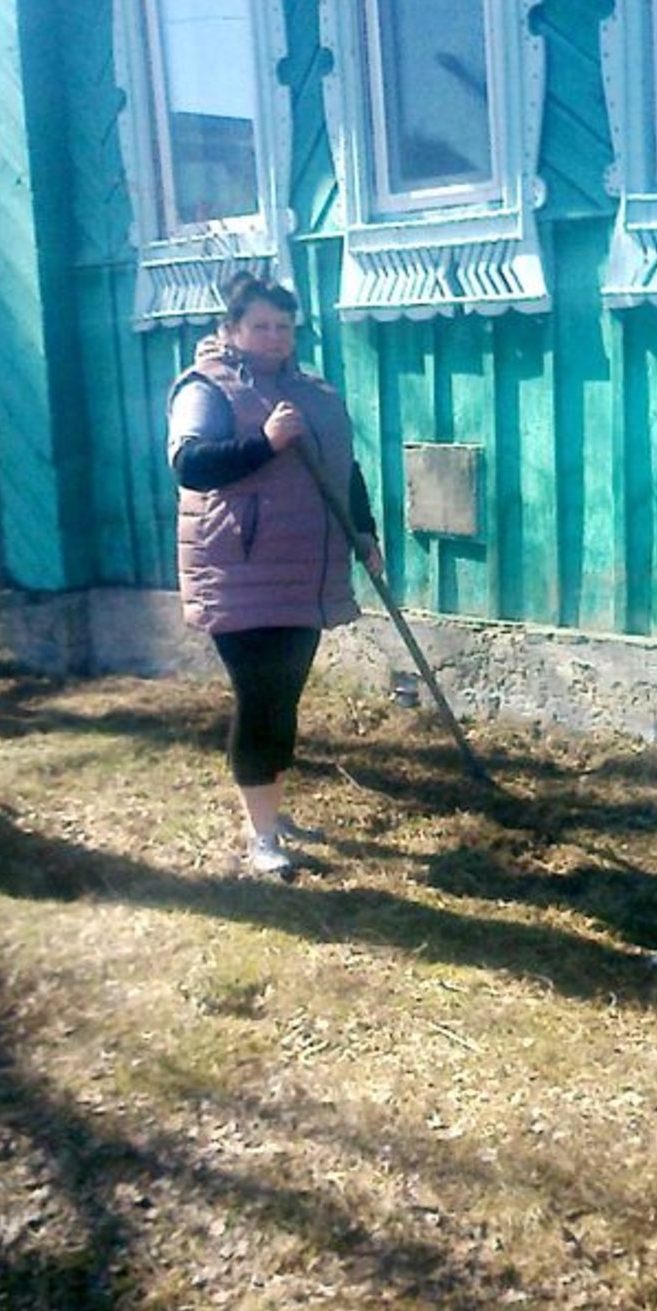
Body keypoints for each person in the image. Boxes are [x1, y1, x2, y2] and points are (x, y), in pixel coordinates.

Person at [167, 272, 382, 879]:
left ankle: (271, 813)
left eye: (283, 326)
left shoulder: (314, 392)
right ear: (231, 329)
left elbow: (344, 468)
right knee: (261, 700)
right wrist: (264, 442)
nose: (273, 336)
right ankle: (261, 836)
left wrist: (364, 531)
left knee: (284, 698)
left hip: (304, 572)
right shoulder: (206, 388)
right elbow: (190, 465)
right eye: (260, 325)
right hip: (239, 574)